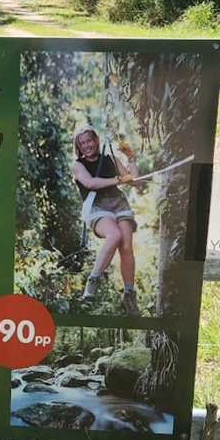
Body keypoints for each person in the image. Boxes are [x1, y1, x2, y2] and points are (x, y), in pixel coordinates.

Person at [71, 126, 140, 315]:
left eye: (89, 141)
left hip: (119, 204)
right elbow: (91, 183)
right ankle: (92, 283)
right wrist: (118, 179)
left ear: (96, 141)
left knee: (126, 246)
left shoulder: (109, 159)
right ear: (78, 146)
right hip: (97, 206)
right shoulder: (78, 165)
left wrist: (131, 158)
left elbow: (134, 180)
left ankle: (128, 295)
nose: (87, 146)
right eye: (82, 143)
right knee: (114, 236)